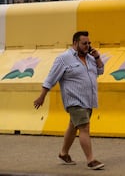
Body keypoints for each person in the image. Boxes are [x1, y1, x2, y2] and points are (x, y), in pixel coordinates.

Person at [33, 31, 105, 170]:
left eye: (89, 43)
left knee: (73, 126)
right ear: (75, 43)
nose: (87, 46)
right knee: (84, 127)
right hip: (74, 100)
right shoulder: (63, 59)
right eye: (84, 43)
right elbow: (51, 78)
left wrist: (97, 57)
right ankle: (91, 160)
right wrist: (42, 96)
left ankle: (63, 153)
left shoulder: (90, 58)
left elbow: (100, 71)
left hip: (88, 100)